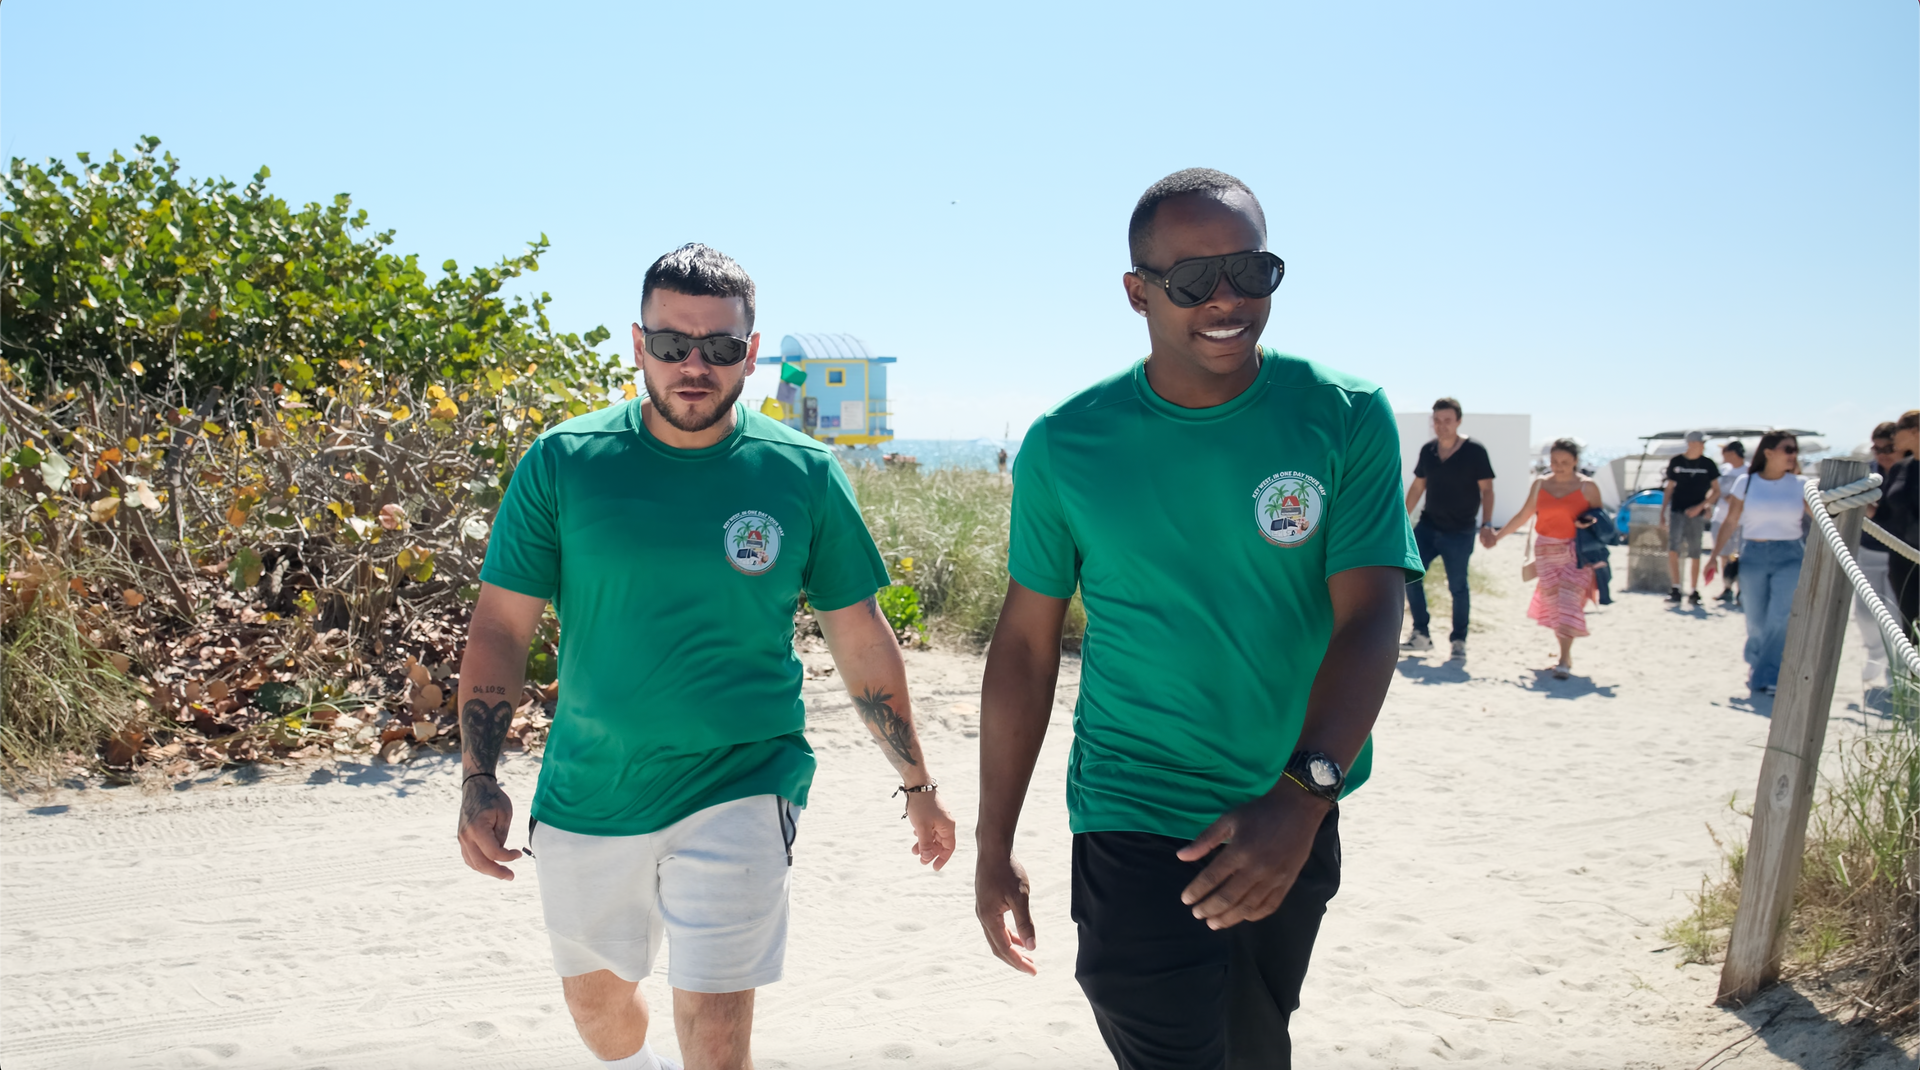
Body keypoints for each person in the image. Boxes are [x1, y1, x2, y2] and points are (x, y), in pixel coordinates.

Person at [455, 244, 957, 1070]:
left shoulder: (801, 473)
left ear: (751, 354)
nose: (696, 365)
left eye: (721, 348)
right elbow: (502, 628)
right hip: (589, 789)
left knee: (719, 1042)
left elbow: (861, 638)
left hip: (743, 783)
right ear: (637, 342)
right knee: (602, 1018)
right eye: (673, 343)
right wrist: (480, 777)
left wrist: (919, 785)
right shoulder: (565, 462)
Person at [971, 168, 1418, 1070]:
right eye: (1190, 280)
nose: (1226, 300)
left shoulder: (1343, 415)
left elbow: (1371, 616)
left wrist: (1302, 797)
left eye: (1251, 272)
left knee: (1254, 1049)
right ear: (1137, 293)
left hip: (1288, 806)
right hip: (1129, 809)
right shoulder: (1069, 441)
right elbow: (1024, 645)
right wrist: (995, 842)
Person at [1707, 431, 1812, 695]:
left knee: (1779, 617)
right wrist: (1712, 556)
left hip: (1790, 555)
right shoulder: (1746, 482)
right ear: (1768, 452)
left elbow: (1823, 517)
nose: (1793, 455)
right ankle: (1757, 665)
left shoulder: (1802, 484)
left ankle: (1768, 676)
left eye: (1795, 450)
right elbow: (1731, 521)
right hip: (1753, 553)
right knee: (1755, 621)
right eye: (1788, 449)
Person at [1490, 439, 1602, 679]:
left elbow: (1600, 521)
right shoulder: (1541, 484)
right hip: (1546, 551)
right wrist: (1498, 536)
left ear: (1575, 462)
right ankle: (1565, 652)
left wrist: (1587, 523)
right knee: (1554, 605)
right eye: (1554, 461)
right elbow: (1524, 514)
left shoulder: (1588, 487)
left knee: (1569, 602)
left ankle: (1563, 659)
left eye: (1565, 462)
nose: (1559, 466)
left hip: (1576, 553)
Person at [1401, 397, 1496, 659]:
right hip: (1428, 527)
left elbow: (1487, 490)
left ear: (1458, 421)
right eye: (1437, 421)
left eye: (1447, 420)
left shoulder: (1475, 451)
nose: (1442, 426)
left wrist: (1487, 524)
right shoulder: (1428, 451)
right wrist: (1401, 519)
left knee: (1457, 587)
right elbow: (1418, 486)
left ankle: (1458, 641)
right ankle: (1421, 634)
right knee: (1410, 576)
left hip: (1461, 531)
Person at [1852, 422, 1901, 701]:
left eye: (1888, 448)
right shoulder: (1869, 472)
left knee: (1895, 617)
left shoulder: (1908, 471)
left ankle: (1895, 675)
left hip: (1902, 554)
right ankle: (1875, 653)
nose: (1882, 454)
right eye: (1877, 448)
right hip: (1869, 550)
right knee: (1864, 613)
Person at [1662, 431, 1720, 606]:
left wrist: (1702, 506)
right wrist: (1663, 512)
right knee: (1674, 548)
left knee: (1695, 551)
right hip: (1677, 510)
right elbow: (1670, 488)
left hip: (1697, 513)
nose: (1702, 445)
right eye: (1700, 442)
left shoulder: (1708, 464)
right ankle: (1676, 587)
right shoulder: (1677, 462)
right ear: (1692, 443)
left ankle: (1694, 590)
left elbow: (1716, 491)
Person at [1877, 411, 1920, 638]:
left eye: (1897, 430)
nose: (1894, 436)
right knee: (1910, 628)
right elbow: (1884, 514)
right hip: (1902, 562)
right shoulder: (1899, 468)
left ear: (1914, 430)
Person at [1709, 441, 1747, 603]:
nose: (1722, 454)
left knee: (1740, 556)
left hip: (1741, 520)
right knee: (1724, 554)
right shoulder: (1723, 470)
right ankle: (1727, 588)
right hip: (1720, 517)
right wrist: (1707, 504)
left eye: (1724, 451)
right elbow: (1715, 490)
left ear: (1732, 453)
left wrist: (1735, 499)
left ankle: (1742, 591)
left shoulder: (1749, 471)